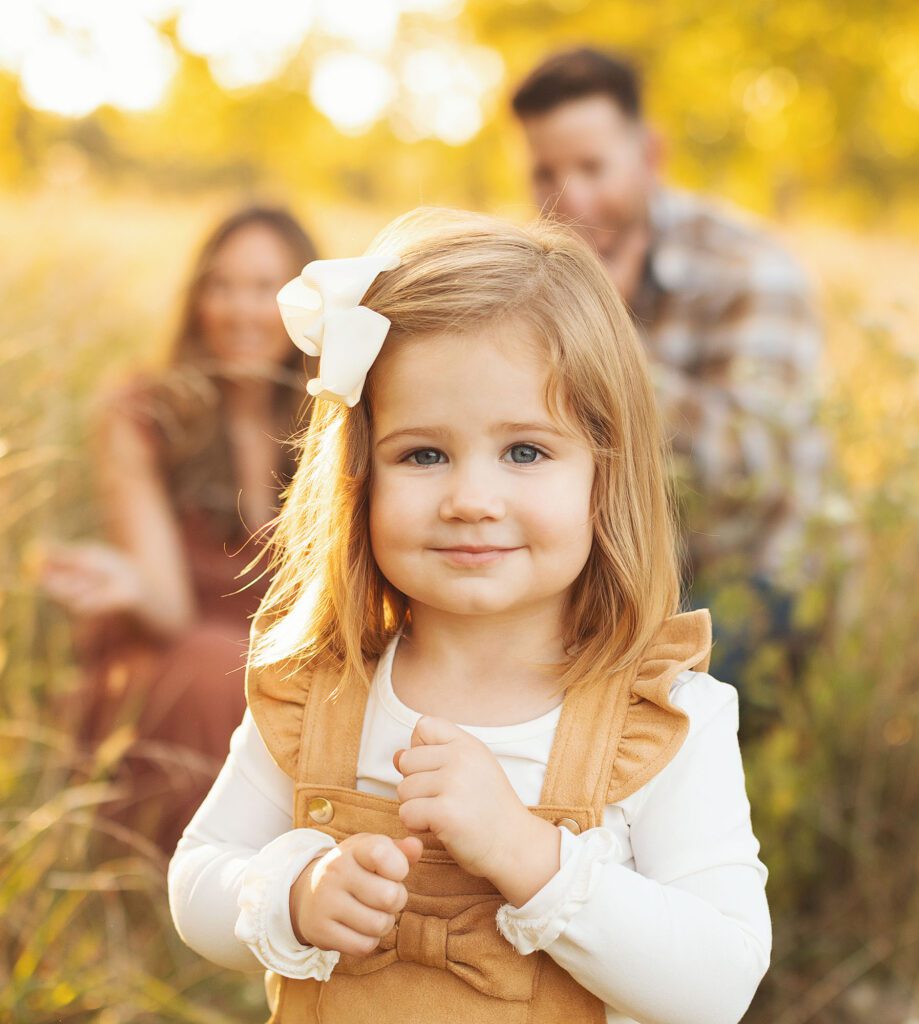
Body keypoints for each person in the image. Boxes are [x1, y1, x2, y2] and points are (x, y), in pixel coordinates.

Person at [167, 208, 770, 1024]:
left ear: (605, 472)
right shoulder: (320, 690)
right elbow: (199, 875)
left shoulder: (662, 720)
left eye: (525, 451)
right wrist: (293, 894)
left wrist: (531, 857)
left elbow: (718, 984)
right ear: (358, 479)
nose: (471, 501)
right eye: (423, 454)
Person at [512, 48, 831, 701]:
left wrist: (611, 337)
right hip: (612, 566)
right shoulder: (539, 271)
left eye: (593, 167)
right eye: (546, 172)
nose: (570, 198)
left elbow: (751, 472)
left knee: (621, 709)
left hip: (749, 572)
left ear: (650, 156)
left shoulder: (748, 271)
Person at [41, 205, 318, 856]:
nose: (239, 310)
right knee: (218, 670)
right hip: (169, 663)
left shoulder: (332, 418)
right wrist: (125, 583)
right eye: (220, 286)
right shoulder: (145, 411)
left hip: (281, 673)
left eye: (263, 289)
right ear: (197, 299)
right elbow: (166, 607)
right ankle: (206, 886)